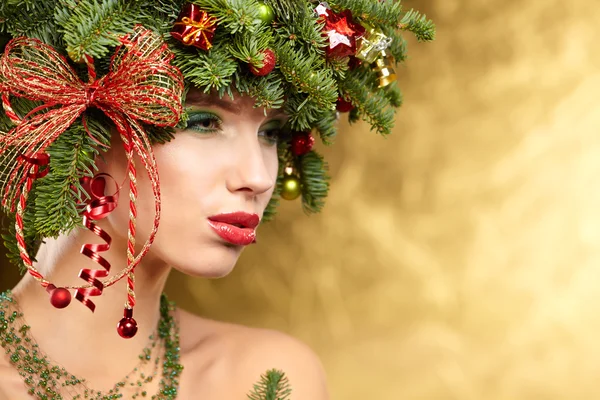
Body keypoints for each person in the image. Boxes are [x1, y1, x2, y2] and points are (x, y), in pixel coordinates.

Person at [0, 1, 434, 399]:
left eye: (271, 133)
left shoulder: (266, 378)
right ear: (83, 127)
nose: (259, 177)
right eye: (205, 122)